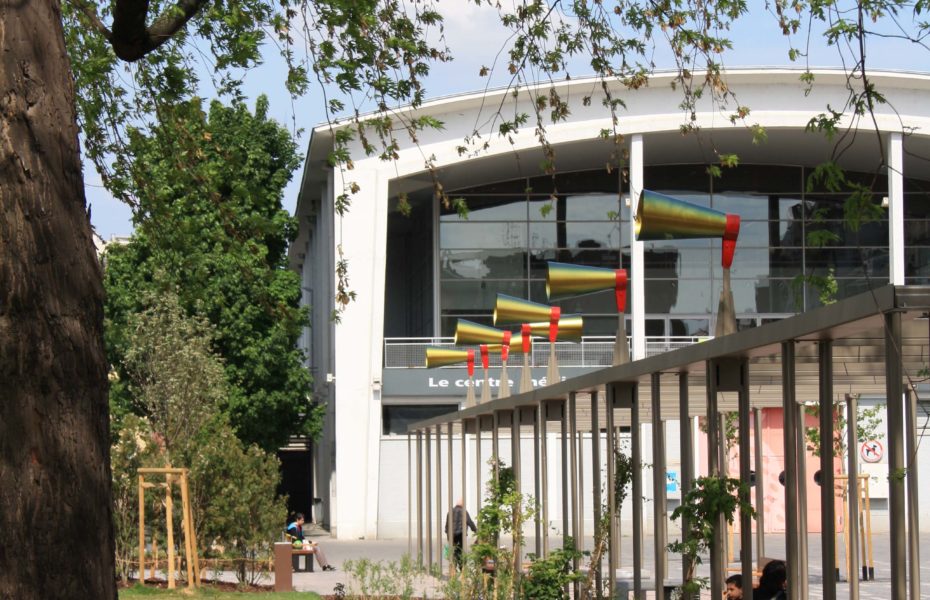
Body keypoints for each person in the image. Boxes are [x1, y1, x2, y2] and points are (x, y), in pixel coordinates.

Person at [444, 499, 477, 567]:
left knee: (453, 550)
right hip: (460, 535)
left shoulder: (450, 511)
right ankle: (461, 566)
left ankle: (453, 565)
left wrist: (448, 535)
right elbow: (470, 522)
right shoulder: (464, 512)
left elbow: (447, 525)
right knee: (460, 550)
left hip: (452, 535)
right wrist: (476, 531)